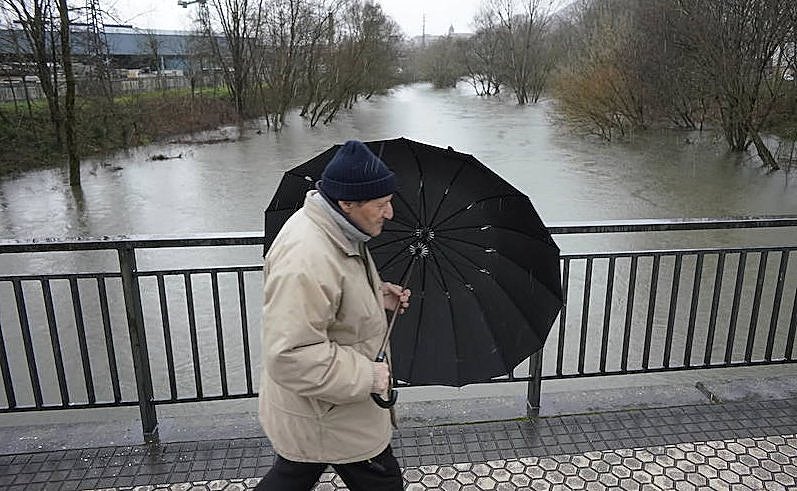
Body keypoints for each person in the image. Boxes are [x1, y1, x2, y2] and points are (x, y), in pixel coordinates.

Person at [256, 140, 411, 491]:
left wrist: (377, 296)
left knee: (294, 473)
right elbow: (290, 355)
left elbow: (333, 302)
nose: (390, 213)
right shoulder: (306, 259)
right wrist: (369, 375)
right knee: (382, 482)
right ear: (347, 203)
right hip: (331, 413)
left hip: (323, 410)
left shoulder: (338, 230)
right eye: (382, 204)